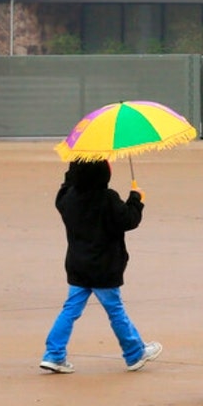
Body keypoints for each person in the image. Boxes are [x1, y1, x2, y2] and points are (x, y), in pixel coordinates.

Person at [40, 159, 162, 374]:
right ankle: (134, 352)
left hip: (78, 265)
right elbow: (129, 220)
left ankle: (54, 354)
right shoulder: (108, 198)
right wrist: (136, 199)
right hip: (104, 267)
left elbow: (67, 185)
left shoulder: (68, 198)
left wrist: (75, 167)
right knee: (115, 311)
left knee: (70, 310)